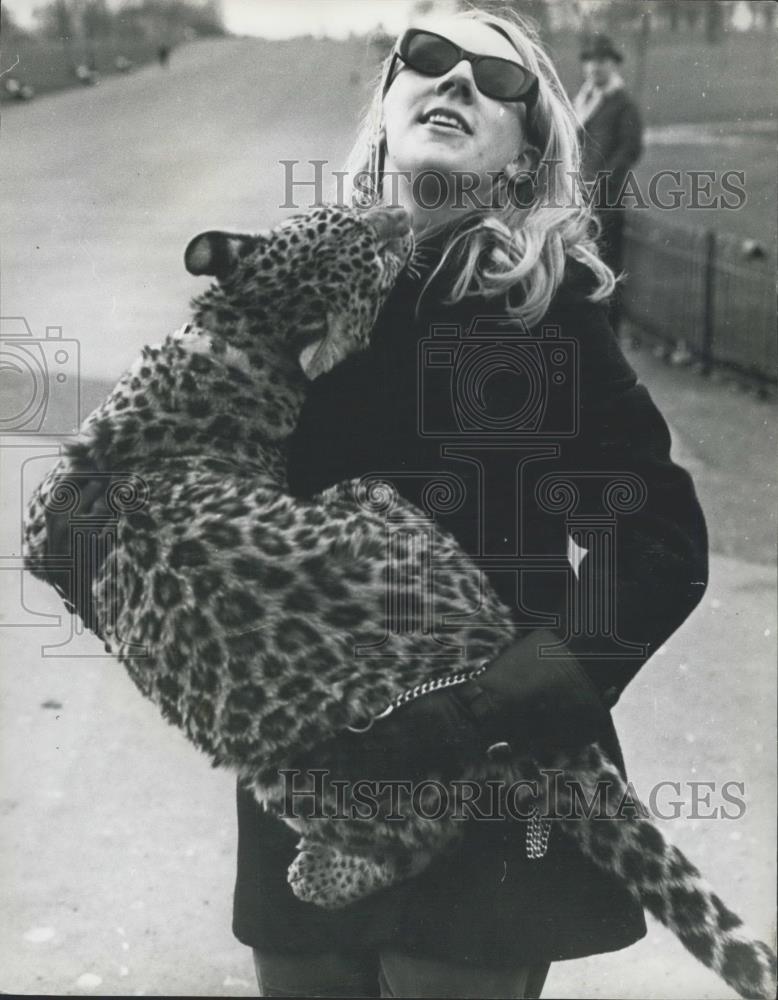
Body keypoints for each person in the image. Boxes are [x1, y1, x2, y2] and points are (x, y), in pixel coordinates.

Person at [44, 9, 707, 998]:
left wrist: (488, 705)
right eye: (429, 59)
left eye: (498, 79)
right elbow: (118, 504)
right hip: (307, 790)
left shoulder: (544, 311)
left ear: (526, 154)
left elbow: (659, 544)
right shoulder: (290, 283)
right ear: (387, 102)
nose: (456, 82)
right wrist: (185, 631)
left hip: (484, 781)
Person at [573, 33, 643, 333]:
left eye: (601, 61)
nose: (594, 68)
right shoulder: (584, 99)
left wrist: (598, 184)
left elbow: (629, 151)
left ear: (614, 65)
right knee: (580, 270)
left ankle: (609, 339)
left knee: (607, 272)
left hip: (605, 205)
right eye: (589, 61)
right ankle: (587, 333)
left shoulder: (623, 104)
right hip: (577, 201)